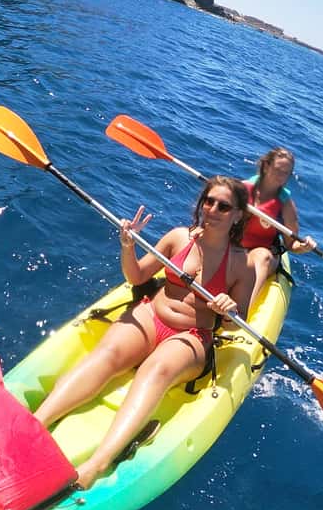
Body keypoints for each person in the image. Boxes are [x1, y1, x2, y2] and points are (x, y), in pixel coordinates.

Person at [33, 176, 254, 490]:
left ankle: (97, 464)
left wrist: (228, 309)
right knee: (108, 353)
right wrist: (128, 247)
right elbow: (136, 276)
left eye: (224, 206)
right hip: (152, 314)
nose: (213, 210)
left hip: (192, 334)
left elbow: (237, 321)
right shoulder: (179, 237)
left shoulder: (242, 264)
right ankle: (36, 423)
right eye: (209, 201)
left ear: (238, 215)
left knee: (156, 369)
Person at [241, 147, 315, 304]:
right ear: (266, 166)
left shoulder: (286, 204)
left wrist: (304, 247)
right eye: (278, 170)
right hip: (236, 247)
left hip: (261, 253)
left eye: (286, 173)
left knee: (263, 256)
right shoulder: (242, 189)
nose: (281, 176)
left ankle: (244, 307)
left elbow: (291, 244)